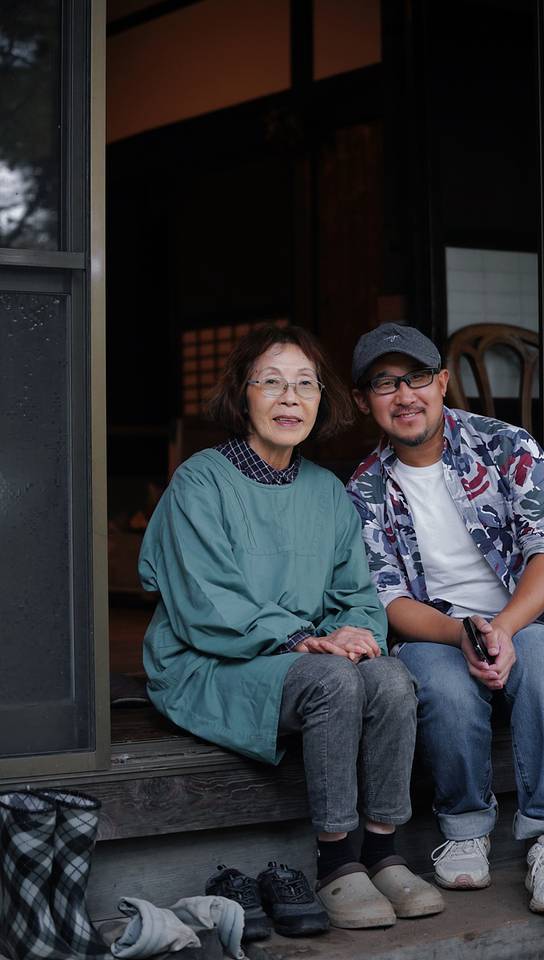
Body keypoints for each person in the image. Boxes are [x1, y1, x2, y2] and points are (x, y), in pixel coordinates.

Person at [138, 324, 444, 932]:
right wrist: (304, 638)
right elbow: (205, 599)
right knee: (333, 680)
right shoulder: (201, 480)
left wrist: (355, 634)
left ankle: (382, 851)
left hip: (304, 656)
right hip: (211, 660)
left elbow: (356, 595)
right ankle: (336, 862)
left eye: (305, 384)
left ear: (321, 399)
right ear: (242, 394)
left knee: (389, 677)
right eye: (271, 383)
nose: (289, 399)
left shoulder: (326, 491)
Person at [346, 322, 544, 915]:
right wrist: (461, 634)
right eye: (385, 383)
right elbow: (388, 598)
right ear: (363, 401)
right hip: (436, 629)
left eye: (417, 378)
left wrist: (501, 628)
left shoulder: (506, 446)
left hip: (523, 617)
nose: (405, 395)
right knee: (441, 682)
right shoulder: (364, 489)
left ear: (442, 382)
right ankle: (464, 828)